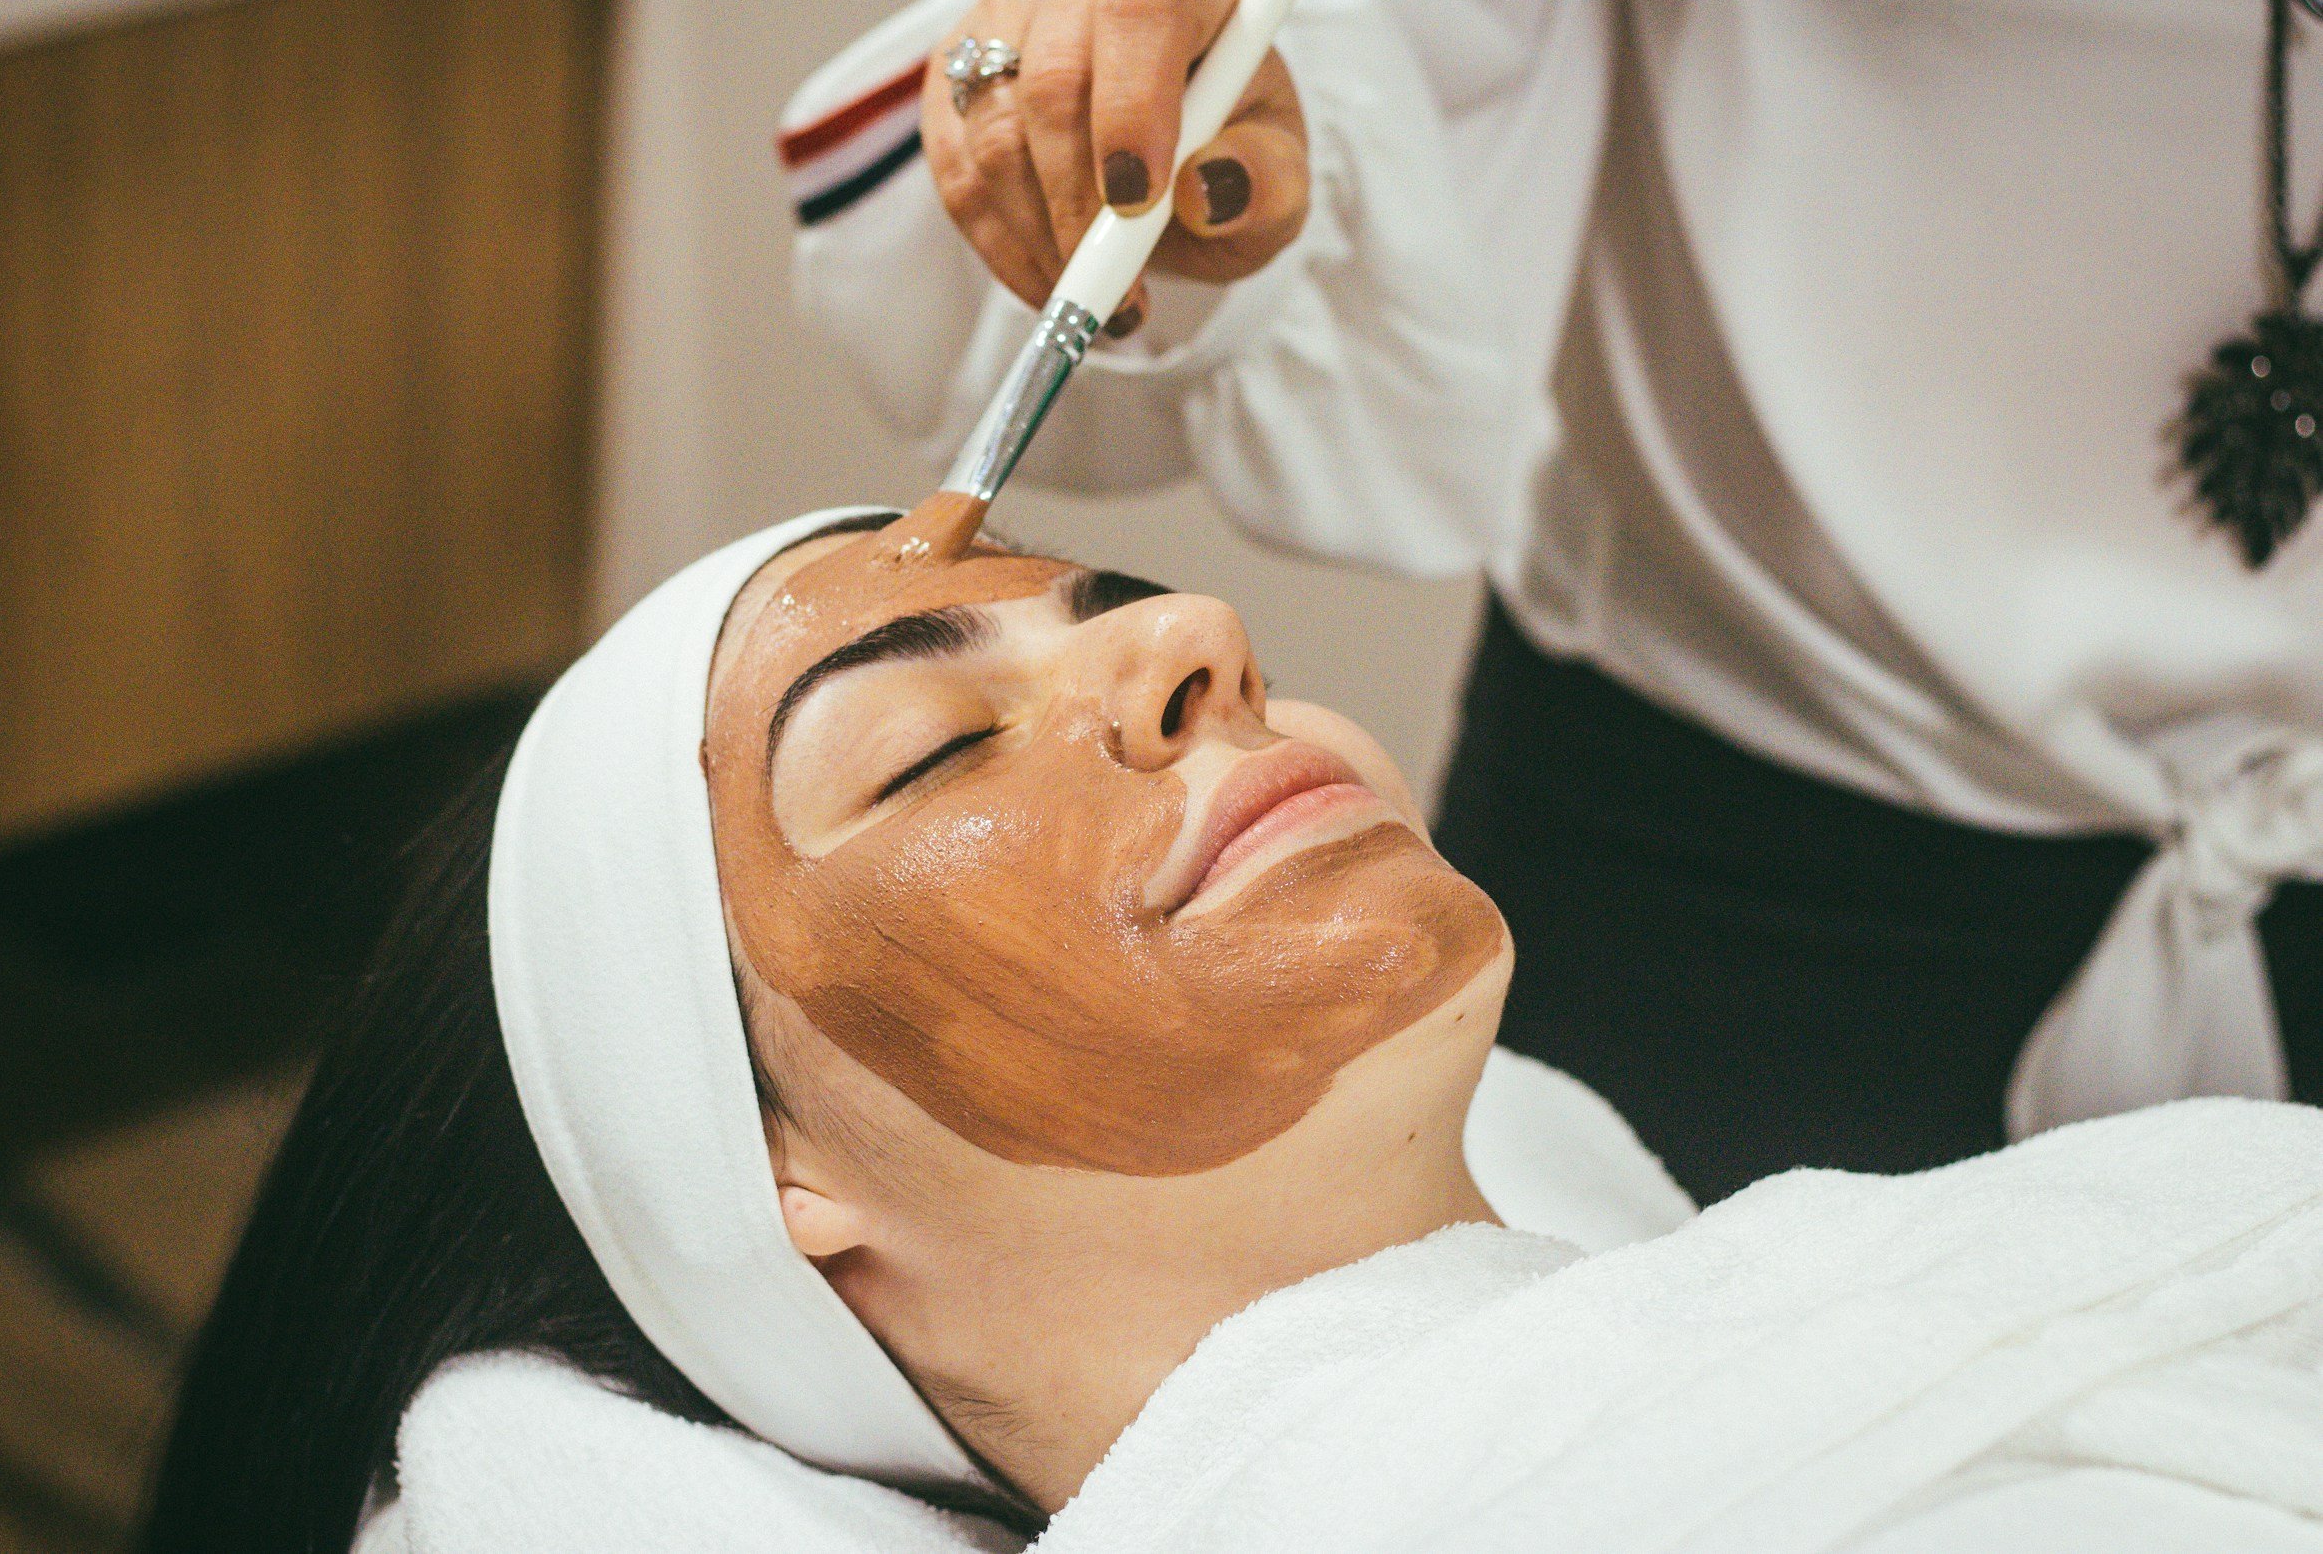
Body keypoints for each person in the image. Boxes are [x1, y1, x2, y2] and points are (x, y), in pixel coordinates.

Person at [141, 502, 2323, 1552]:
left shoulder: (1847, 1330)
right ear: (762, 1174)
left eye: (1110, 609)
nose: (1195, 634)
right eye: (922, 753)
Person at [777, 0, 2323, 1201]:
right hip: (1737, 887)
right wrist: (1180, 63)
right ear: (791, 1204)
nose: (1196, 637)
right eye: (920, 748)